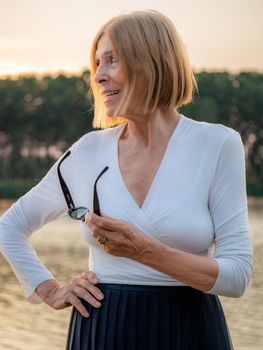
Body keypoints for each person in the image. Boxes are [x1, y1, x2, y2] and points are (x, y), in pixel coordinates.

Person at [0, 10, 253, 350]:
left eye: (111, 61)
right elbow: (9, 226)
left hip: (190, 330)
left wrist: (144, 251)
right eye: (97, 64)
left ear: (150, 62)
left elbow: (236, 277)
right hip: (102, 329)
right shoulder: (87, 151)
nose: (98, 76)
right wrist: (49, 289)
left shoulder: (218, 144)